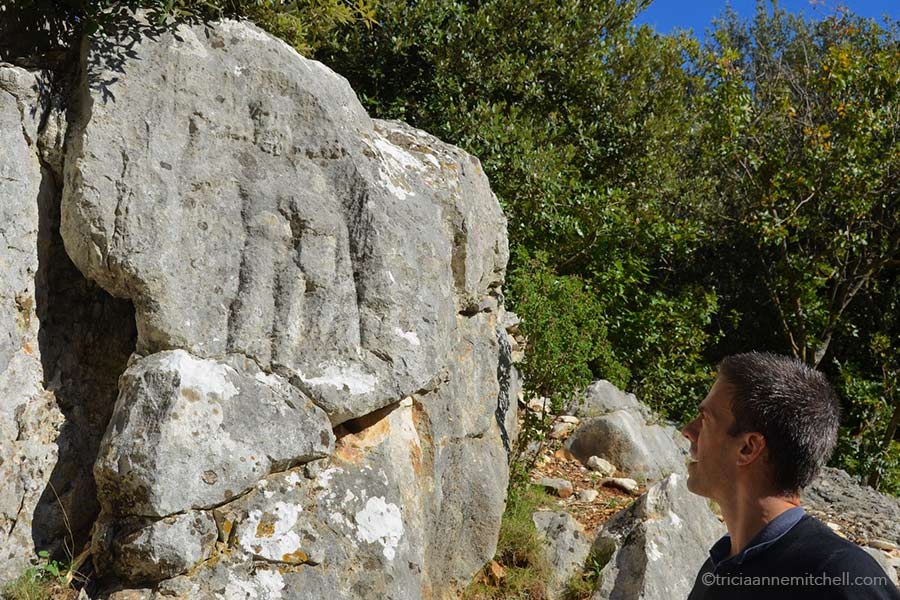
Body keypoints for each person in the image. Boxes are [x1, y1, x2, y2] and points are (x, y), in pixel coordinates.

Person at [683, 351, 900, 600]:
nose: (688, 430)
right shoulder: (720, 565)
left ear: (748, 448)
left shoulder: (840, 579)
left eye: (705, 419)